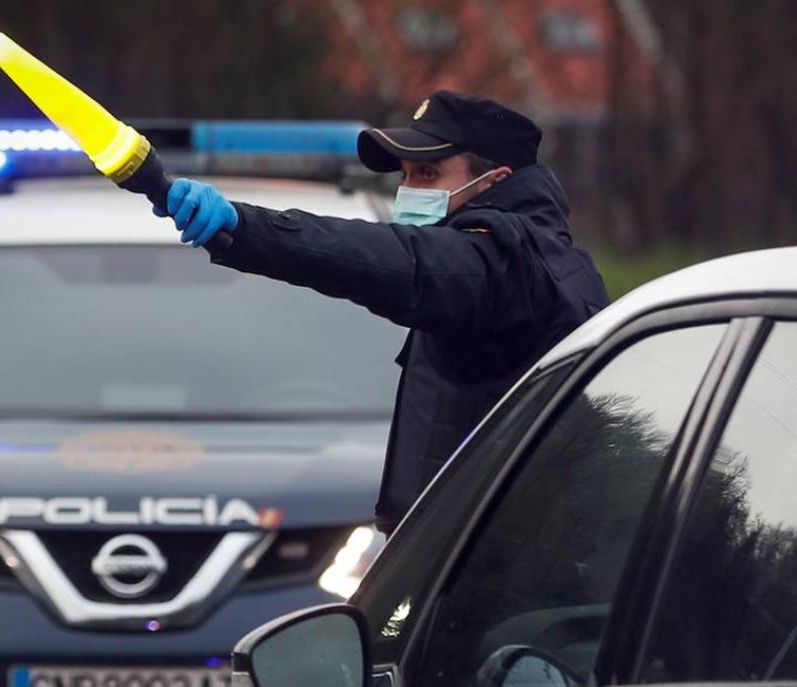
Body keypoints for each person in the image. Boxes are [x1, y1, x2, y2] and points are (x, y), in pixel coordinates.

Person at [156, 91, 610, 534]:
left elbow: (391, 260)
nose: (408, 191)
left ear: (494, 181)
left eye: (428, 174)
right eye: (406, 175)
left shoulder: (500, 264)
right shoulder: (548, 259)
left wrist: (245, 227)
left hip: (496, 573)